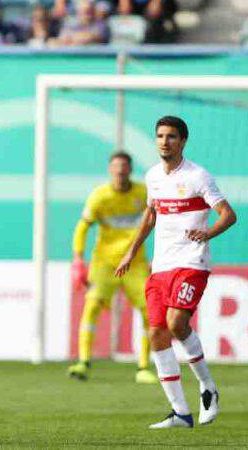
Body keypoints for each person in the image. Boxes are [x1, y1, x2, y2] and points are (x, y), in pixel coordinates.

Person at [115, 116, 237, 428]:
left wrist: (207, 234)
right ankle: (180, 412)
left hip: (192, 263)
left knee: (176, 322)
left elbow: (228, 215)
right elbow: (150, 214)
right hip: (162, 265)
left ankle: (208, 387)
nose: (164, 141)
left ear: (183, 141)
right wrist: (131, 251)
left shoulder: (198, 176)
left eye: (171, 136)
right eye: (160, 136)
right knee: (157, 333)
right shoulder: (153, 176)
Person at [67, 152, 157, 383]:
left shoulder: (143, 194)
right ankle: (83, 362)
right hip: (104, 264)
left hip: (135, 264)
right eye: (115, 167)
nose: (119, 171)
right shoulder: (99, 197)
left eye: (124, 167)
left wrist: (159, 256)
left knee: (149, 311)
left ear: (130, 170)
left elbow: (162, 222)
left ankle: (144, 367)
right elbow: (82, 228)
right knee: (92, 306)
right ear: (110, 170)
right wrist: (78, 260)